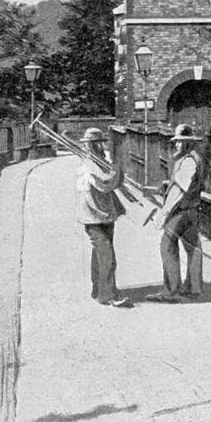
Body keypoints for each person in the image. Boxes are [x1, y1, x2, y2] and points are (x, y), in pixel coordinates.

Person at [147, 123, 205, 302]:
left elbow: (180, 190)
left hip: (181, 211)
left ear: (188, 143)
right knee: (193, 248)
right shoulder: (194, 158)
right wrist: (167, 184)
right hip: (192, 210)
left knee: (167, 245)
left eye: (180, 142)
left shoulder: (188, 161)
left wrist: (164, 214)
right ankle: (194, 288)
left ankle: (171, 292)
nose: (176, 145)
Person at [76, 127, 132, 308]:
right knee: (107, 256)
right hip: (94, 216)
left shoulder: (99, 161)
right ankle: (107, 295)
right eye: (97, 143)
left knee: (100, 255)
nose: (101, 146)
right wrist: (118, 173)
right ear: (92, 145)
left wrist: (115, 173)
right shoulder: (88, 164)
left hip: (105, 214)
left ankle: (98, 290)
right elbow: (104, 185)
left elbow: (108, 181)